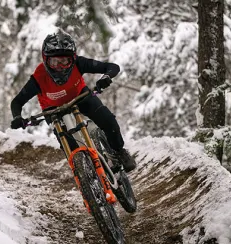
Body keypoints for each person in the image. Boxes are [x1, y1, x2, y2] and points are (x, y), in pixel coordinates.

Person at [10, 30, 136, 172]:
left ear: (73, 58)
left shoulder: (79, 63)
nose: (60, 67)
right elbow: (16, 102)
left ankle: (119, 151)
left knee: (108, 120)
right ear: (46, 60)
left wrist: (106, 77)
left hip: (81, 98)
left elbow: (112, 67)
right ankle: (85, 173)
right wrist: (17, 117)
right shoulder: (39, 77)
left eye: (65, 61)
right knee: (70, 147)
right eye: (54, 62)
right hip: (53, 110)